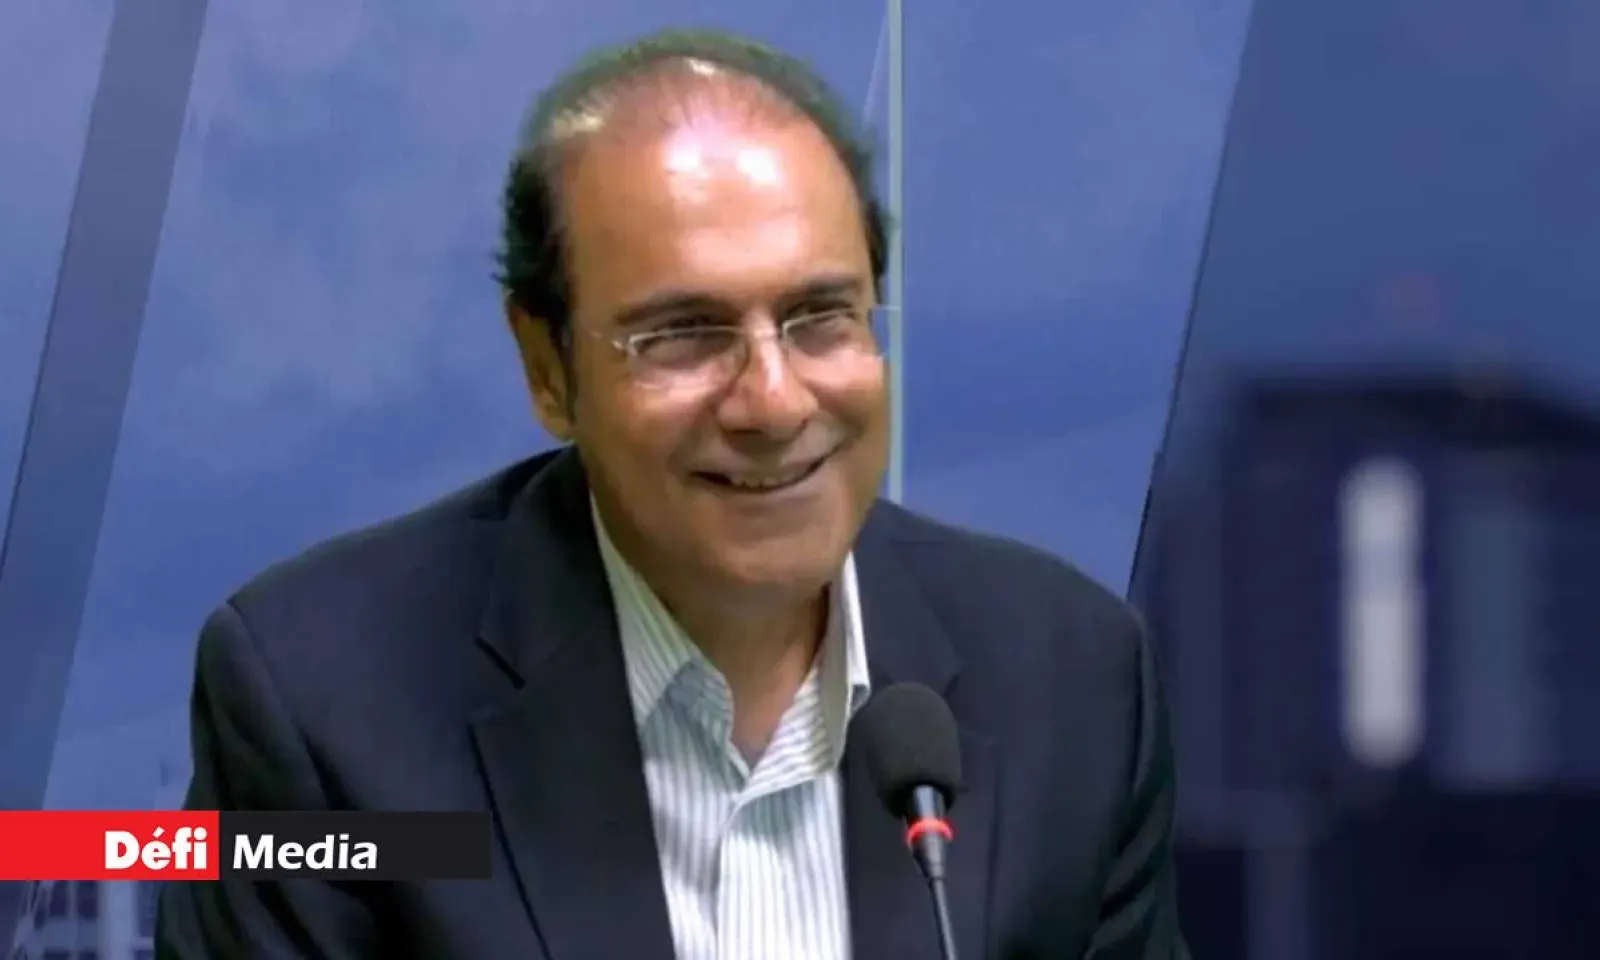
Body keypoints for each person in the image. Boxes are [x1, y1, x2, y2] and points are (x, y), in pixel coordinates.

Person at [156, 28, 1188, 960]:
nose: (773, 401)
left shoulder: (1072, 679)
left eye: (822, 316)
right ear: (548, 368)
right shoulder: (322, 705)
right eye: (683, 335)